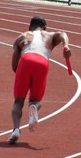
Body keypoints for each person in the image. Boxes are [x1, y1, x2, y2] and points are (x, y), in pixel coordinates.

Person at [8, 16, 71, 144]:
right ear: (45, 27)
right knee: (36, 101)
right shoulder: (49, 35)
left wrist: (21, 74)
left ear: (29, 27)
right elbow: (62, 33)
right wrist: (66, 46)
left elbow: (14, 64)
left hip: (25, 61)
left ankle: (15, 129)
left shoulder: (22, 36)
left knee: (18, 102)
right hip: (42, 62)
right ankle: (33, 107)